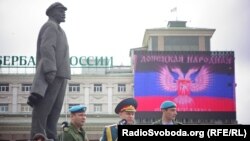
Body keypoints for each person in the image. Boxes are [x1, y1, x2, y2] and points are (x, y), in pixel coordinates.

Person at [27, 2, 71, 140]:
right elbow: (47, 47)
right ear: (52, 12)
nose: (64, 13)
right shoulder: (50, 27)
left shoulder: (59, 29)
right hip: (52, 74)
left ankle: (51, 135)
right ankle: (38, 136)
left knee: (55, 110)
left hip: (61, 75)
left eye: (64, 11)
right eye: (60, 11)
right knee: (43, 109)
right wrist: (50, 70)